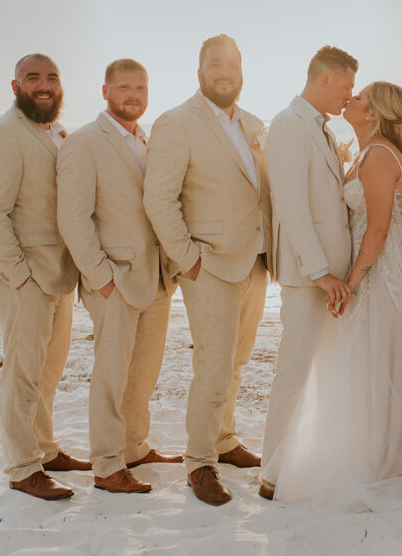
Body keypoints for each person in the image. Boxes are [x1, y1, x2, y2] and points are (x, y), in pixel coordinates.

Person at [272, 82, 402, 510]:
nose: (351, 99)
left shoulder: (380, 154)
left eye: (361, 96)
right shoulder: (366, 149)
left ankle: (390, 455)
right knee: (364, 359)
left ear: (374, 113)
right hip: (374, 265)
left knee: (379, 357)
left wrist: (352, 281)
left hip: (381, 270)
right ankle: (370, 445)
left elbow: (380, 228)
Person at [143, 35, 272, 506]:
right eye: (215, 65)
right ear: (200, 73)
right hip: (210, 265)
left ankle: (224, 438)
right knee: (213, 366)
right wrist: (189, 260)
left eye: (232, 65)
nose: (225, 73)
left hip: (255, 262)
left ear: (242, 71)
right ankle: (199, 463)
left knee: (236, 363)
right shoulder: (176, 123)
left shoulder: (254, 123)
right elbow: (159, 198)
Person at [56, 59, 184, 494]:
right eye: (124, 87)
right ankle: (107, 464)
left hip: (158, 278)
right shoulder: (85, 143)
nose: (134, 95)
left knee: (144, 372)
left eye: (141, 87)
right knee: (111, 375)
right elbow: (73, 218)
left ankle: (133, 445)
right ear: (106, 91)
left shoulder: (147, 141)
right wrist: (101, 278)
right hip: (114, 280)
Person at [0, 53, 84, 500]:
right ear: (15, 85)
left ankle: (44, 448)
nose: (44, 85)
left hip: (58, 273)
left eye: (52, 77)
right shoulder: (2, 134)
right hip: (24, 275)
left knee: (49, 371)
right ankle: (22, 467)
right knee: (23, 371)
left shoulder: (56, 131)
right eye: (33, 77)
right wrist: (18, 276)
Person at [258, 46, 357, 500]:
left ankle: (305, 459)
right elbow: (292, 205)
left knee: (324, 371)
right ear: (323, 79)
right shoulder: (287, 125)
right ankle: (271, 472)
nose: (348, 97)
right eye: (345, 87)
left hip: (333, 275)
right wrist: (320, 272)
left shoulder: (320, 127)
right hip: (307, 277)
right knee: (294, 371)